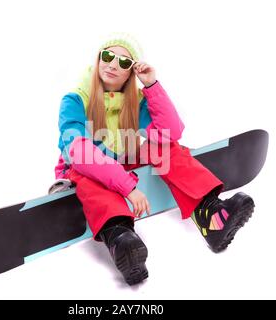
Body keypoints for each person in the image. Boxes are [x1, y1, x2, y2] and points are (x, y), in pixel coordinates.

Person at [54, 33, 255, 286]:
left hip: (122, 161)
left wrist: (151, 85)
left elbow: (171, 132)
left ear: (131, 72)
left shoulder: (134, 101)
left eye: (124, 62)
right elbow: (80, 153)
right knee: (90, 175)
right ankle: (121, 240)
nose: (113, 65)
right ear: (98, 59)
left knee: (162, 147)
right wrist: (128, 187)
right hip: (84, 168)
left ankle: (212, 216)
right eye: (107, 56)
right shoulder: (74, 100)